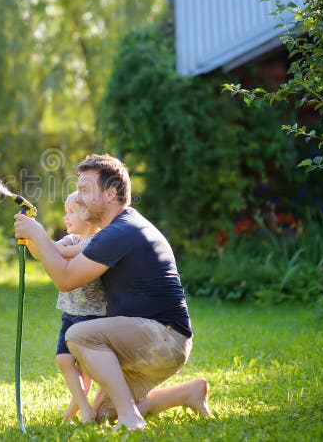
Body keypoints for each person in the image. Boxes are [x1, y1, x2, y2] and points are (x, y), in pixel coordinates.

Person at [14, 154, 209, 432]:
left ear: (111, 192)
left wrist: (39, 235)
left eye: (84, 190)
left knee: (78, 335)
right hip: (152, 340)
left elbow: (65, 279)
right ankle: (187, 393)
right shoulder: (115, 229)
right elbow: (65, 262)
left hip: (163, 339)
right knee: (104, 413)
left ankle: (131, 417)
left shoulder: (120, 232)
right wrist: (37, 238)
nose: (78, 199)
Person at [53, 191, 105, 423]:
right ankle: (82, 408)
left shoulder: (97, 241)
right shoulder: (70, 239)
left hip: (92, 316)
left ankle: (80, 411)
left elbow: (61, 253)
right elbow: (54, 249)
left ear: (89, 215)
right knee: (63, 360)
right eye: (65, 212)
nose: (66, 217)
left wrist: (39, 239)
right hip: (70, 314)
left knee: (85, 369)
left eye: (71, 212)